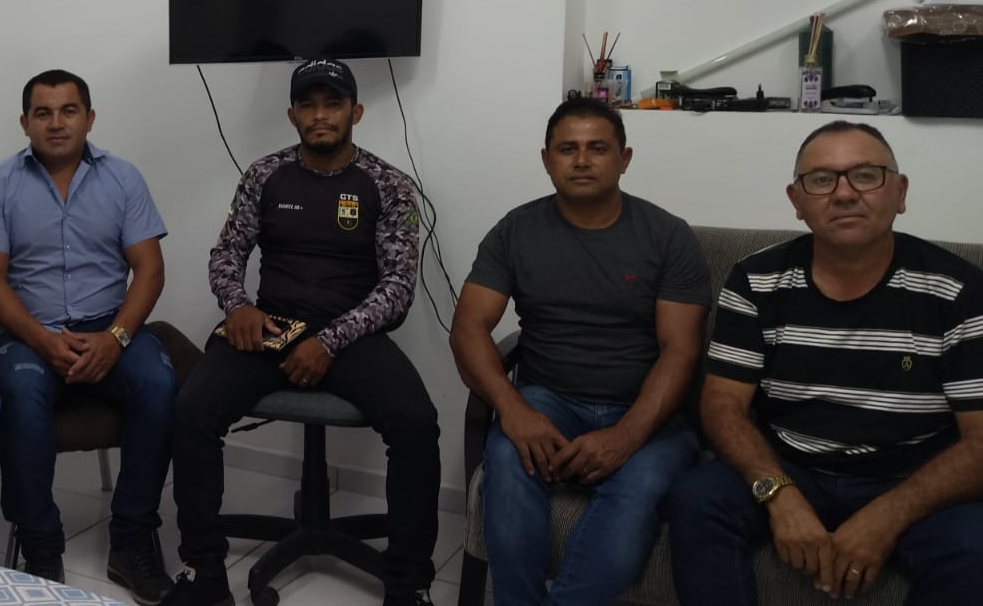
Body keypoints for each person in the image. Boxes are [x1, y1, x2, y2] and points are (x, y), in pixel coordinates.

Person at [665, 121, 983, 605]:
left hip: (911, 473)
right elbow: (722, 405)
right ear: (796, 200)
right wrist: (778, 494)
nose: (844, 193)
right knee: (697, 500)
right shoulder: (757, 280)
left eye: (866, 175)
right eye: (821, 180)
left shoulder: (958, 290)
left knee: (974, 547)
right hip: (793, 465)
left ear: (900, 192)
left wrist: (888, 515)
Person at [163, 57, 440, 606]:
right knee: (192, 409)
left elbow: (397, 288)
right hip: (271, 323)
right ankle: (205, 575)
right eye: (307, 105)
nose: (320, 115)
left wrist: (328, 341)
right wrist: (238, 306)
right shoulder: (264, 174)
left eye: (333, 104)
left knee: (416, 423)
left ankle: (408, 584)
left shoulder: (389, 184)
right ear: (292, 115)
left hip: (351, 332)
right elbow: (227, 252)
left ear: (355, 112)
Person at [449, 98, 710, 606]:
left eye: (598, 149)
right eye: (568, 149)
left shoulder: (668, 236)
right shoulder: (516, 230)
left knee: (637, 493)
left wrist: (626, 435)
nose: (583, 160)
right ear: (547, 160)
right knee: (508, 460)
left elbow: (680, 352)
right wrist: (513, 410)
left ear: (624, 159)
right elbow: (468, 329)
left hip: (647, 409)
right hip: (548, 397)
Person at [0, 69, 175, 604]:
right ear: (25, 122)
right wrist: (40, 339)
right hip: (28, 331)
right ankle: (40, 545)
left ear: (89, 118)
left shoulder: (123, 178)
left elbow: (149, 270)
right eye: (43, 113)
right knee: (20, 393)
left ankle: (132, 539)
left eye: (69, 110)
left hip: (109, 327)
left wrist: (116, 338)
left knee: (159, 386)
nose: (56, 123)